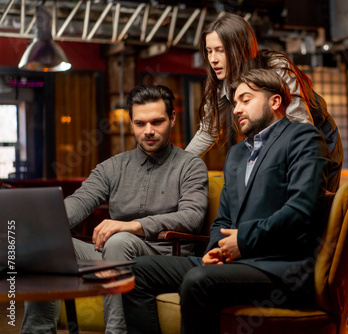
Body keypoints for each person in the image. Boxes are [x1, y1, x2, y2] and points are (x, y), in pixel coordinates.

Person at [122, 69, 332, 334]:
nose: (236, 109)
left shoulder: (303, 138)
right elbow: (223, 218)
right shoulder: (236, 154)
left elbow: (302, 211)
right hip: (231, 263)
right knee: (134, 271)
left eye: (245, 100)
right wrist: (215, 249)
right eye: (234, 103)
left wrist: (242, 241)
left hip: (280, 267)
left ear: (275, 102)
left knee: (199, 280)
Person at [21, 84, 209, 334]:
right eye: (140, 123)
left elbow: (192, 217)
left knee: (120, 240)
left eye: (157, 122)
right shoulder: (112, 167)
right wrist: (40, 224)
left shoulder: (190, 165)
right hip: (112, 252)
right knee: (45, 241)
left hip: (163, 258)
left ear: (172, 119)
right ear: (131, 123)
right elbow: (79, 202)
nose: (149, 131)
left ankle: (117, 332)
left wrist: (131, 226)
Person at [185, 12, 342, 192]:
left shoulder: (275, 68)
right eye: (209, 51)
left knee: (311, 204)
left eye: (220, 50)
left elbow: (302, 126)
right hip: (272, 143)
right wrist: (177, 166)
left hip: (318, 140)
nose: (213, 59)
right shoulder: (221, 82)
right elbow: (208, 131)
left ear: (240, 48)